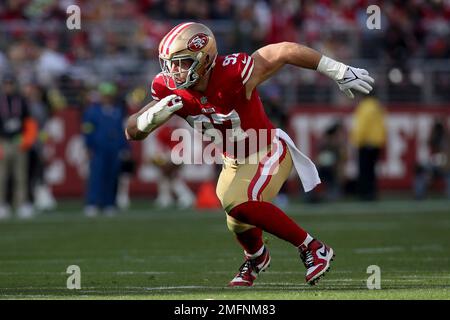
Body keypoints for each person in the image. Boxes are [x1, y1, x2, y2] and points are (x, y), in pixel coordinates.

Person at [125, 23, 374, 286]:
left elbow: (285, 50)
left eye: (183, 62)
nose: (174, 71)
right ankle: (256, 258)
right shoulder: (167, 87)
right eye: (169, 64)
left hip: (267, 151)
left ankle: (313, 248)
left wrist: (337, 70)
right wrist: (147, 121)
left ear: (205, 58)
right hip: (233, 162)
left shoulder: (233, 72)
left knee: (238, 201)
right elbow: (132, 132)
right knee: (237, 221)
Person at [82, 82, 129, 217]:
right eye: (105, 95)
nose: (107, 98)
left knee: (112, 176)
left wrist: (125, 147)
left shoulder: (118, 111)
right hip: (98, 149)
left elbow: (122, 131)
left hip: (114, 149)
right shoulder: (92, 111)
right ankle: (93, 203)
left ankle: (109, 203)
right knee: (96, 176)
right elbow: (88, 130)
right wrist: (88, 145)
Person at [0, 75, 38, 219]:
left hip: (19, 142)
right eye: (6, 84)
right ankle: (2, 204)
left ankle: (22, 204)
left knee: (20, 176)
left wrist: (27, 140)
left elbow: (29, 122)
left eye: (10, 84)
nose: (8, 87)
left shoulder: (21, 101)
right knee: (2, 176)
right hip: (3, 142)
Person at [351, 96, 386, 201]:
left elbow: (361, 126)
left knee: (364, 170)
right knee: (371, 170)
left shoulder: (364, 107)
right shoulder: (378, 106)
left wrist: (356, 141)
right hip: (376, 143)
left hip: (365, 143)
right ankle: (372, 192)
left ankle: (364, 193)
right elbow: (383, 125)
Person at [414, 119, 450, 199]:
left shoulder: (444, 140)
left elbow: (445, 159)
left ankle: (419, 195)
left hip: (445, 167)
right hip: (439, 165)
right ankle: (419, 195)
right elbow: (428, 142)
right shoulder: (438, 138)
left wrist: (431, 169)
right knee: (420, 169)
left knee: (424, 169)